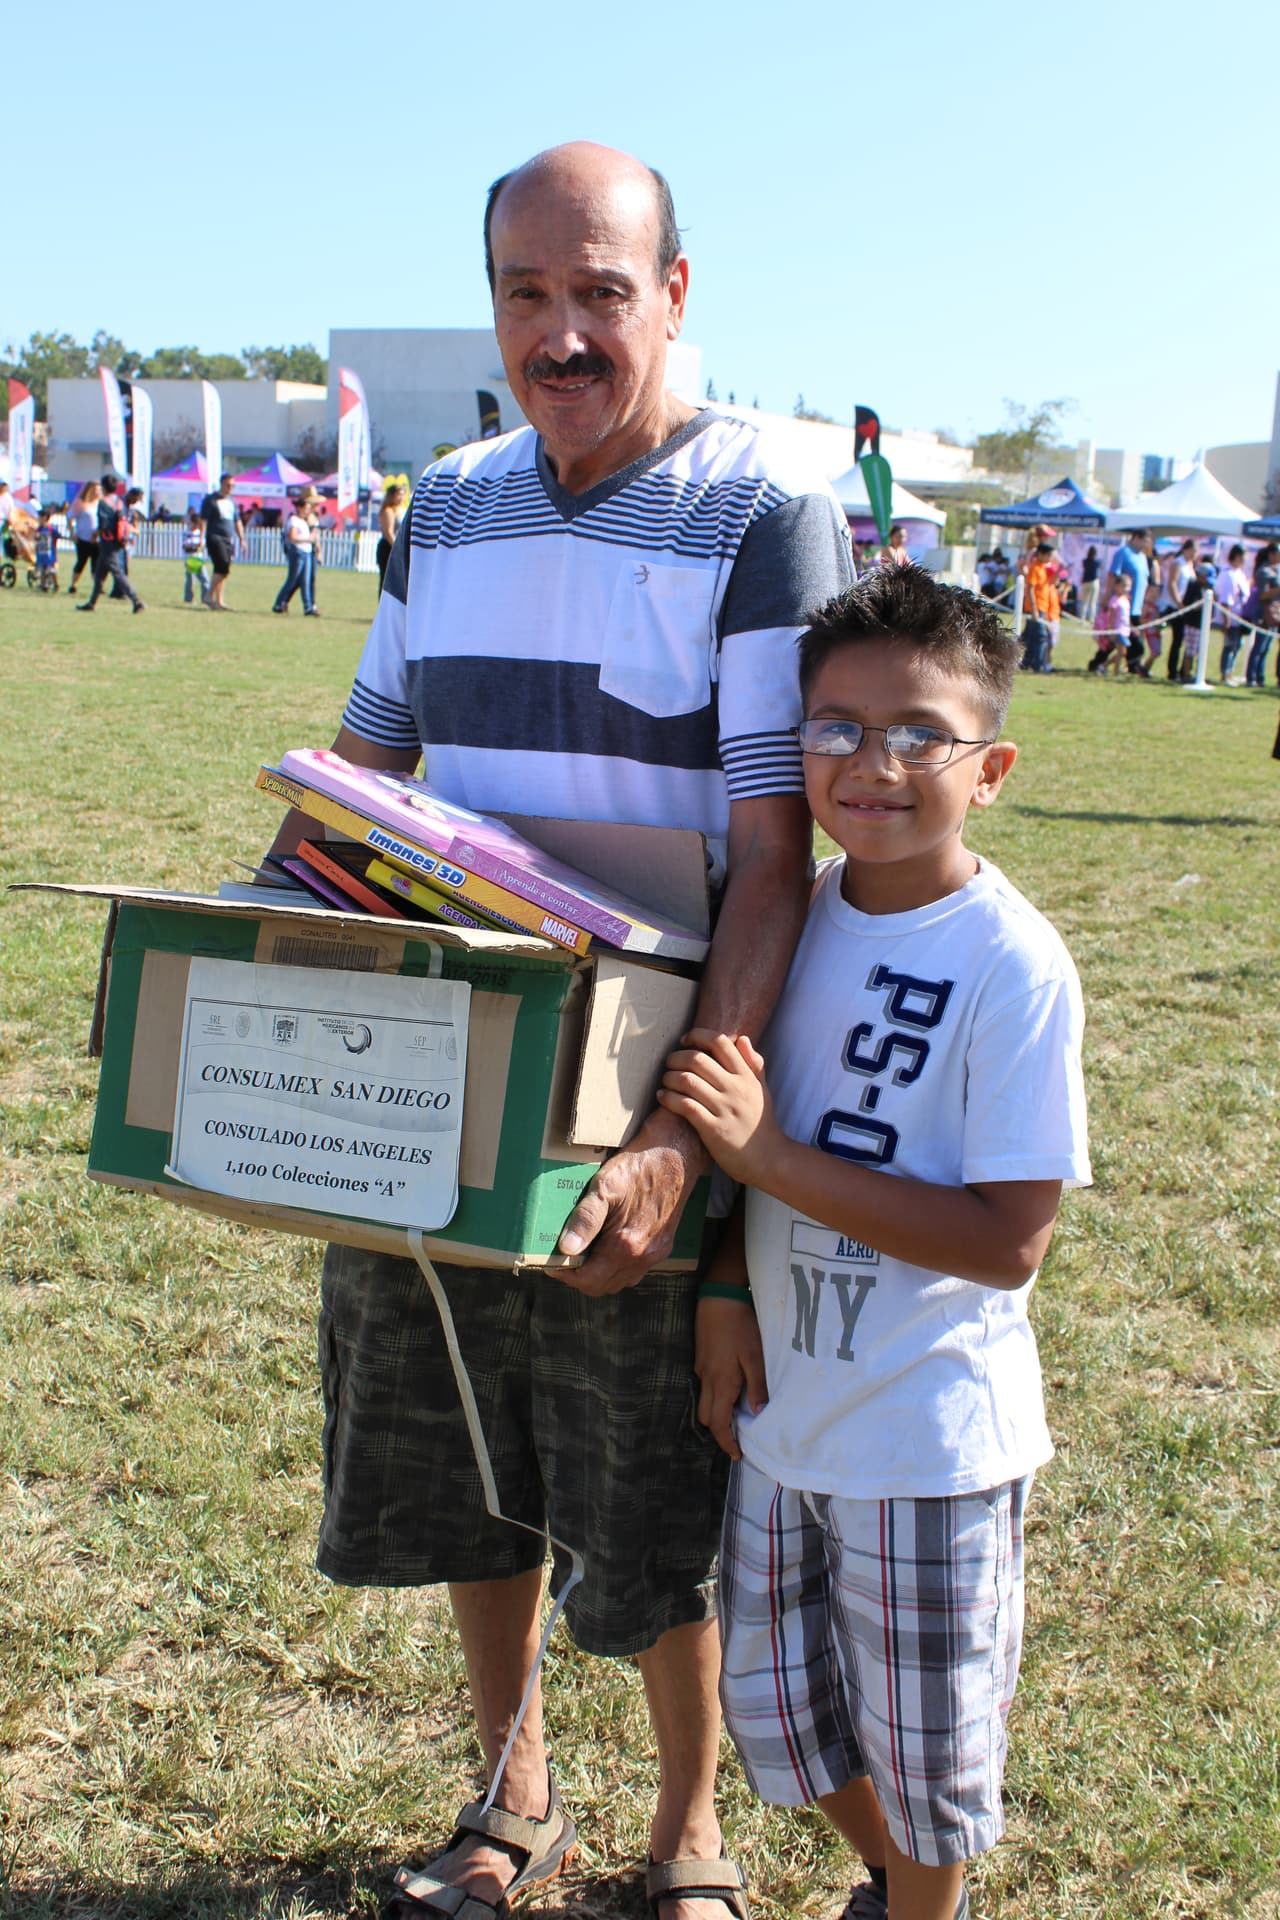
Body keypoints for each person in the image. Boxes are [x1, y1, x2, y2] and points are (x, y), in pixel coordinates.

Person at [263, 141, 855, 1920]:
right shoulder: (443, 504)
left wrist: (683, 1135)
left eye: (603, 290)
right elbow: (366, 776)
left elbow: (773, 857)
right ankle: (511, 1796)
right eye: (528, 292)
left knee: (648, 1457)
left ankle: (690, 1827)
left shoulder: (765, 510)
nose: (563, 330)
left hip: (648, 1065)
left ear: (675, 294)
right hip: (443, 1053)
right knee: (460, 1426)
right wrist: (249, 969)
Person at [658, 565, 1090, 1920]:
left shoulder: (1014, 964)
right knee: (779, 1720)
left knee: (927, 1760)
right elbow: (742, 1141)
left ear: (994, 766)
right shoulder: (792, 923)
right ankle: (899, 1882)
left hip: (927, 1435)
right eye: (836, 728)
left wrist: (770, 1160)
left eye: (919, 735)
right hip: (789, 1412)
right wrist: (725, 1281)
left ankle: (920, 1903)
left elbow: (1010, 1242)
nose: (873, 763)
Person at [76, 473, 144, 612]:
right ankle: (92, 603)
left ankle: (137, 601)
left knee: (118, 573)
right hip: (119, 541)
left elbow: (104, 525)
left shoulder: (103, 503)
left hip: (108, 543)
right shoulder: (119, 502)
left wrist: (95, 535)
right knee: (100, 573)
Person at [1107, 529, 1153, 676]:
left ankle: (1132, 666)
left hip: (1137, 607)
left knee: (1131, 641)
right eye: (1145, 540)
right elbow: (1113, 575)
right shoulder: (1123, 552)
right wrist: (1108, 596)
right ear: (1137, 538)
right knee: (1123, 640)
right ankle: (1100, 662)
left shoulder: (1143, 557)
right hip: (1122, 606)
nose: (1147, 544)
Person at [199, 472, 245, 609]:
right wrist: (201, 538)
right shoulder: (210, 500)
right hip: (214, 537)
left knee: (221, 569)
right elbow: (203, 520)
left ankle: (218, 601)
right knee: (223, 566)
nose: (230, 488)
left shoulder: (232, 502)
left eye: (233, 486)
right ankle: (208, 596)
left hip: (228, 538)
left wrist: (242, 539)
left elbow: (237, 521)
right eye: (228, 485)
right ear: (221, 484)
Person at [272, 489, 319, 614]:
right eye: (307, 508)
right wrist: (307, 539)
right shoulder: (293, 520)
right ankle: (279, 602)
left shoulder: (304, 521)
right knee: (292, 580)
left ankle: (308, 607)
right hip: (298, 552)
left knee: (305, 581)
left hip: (306, 551)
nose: (308, 510)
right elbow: (292, 537)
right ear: (300, 508)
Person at [1243, 545, 1280, 687]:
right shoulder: (1264, 571)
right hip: (1264, 612)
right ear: (1271, 554)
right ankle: (1251, 677)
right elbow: (1263, 595)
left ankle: (1260, 677)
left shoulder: (1277, 570)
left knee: (1266, 647)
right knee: (1259, 645)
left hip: (1275, 612)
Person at [1160, 538, 1197, 681]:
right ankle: (1172, 671)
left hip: (1187, 606)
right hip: (1176, 606)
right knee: (1177, 640)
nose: (1195, 554)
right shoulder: (1178, 563)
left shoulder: (1190, 565)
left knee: (1186, 640)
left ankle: (1184, 670)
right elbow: (1172, 584)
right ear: (1186, 549)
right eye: (1193, 551)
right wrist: (1179, 603)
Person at [1022, 540, 1060, 671]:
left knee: (1029, 637)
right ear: (1041, 554)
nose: (1050, 559)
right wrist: (1034, 609)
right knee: (1041, 637)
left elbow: (1051, 584)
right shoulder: (1035, 568)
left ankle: (1026, 662)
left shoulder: (1043, 569)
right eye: (1048, 555)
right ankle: (1039, 665)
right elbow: (1031, 589)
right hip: (1037, 607)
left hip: (1043, 606)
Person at [1215, 544, 1250, 683]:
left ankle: (1230, 672)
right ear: (1237, 556)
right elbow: (1225, 598)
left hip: (1240, 616)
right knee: (1230, 645)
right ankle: (1225, 674)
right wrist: (1226, 619)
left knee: (1237, 645)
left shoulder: (1239, 573)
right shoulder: (1228, 574)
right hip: (1230, 616)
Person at [1086, 577, 1131, 675]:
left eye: (1128, 587)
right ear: (1117, 586)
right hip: (1118, 630)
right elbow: (1111, 617)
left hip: (1125, 630)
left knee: (1122, 653)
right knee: (1121, 652)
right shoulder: (1115, 600)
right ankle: (1115, 672)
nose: (1126, 589)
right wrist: (1111, 631)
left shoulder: (1126, 600)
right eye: (1124, 586)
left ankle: (1103, 666)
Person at [67, 481, 102, 594]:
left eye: (99, 489)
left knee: (96, 563)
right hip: (83, 538)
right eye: (95, 489)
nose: (97, 492)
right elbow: (70, 517)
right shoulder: (81, 503)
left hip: (97, 539)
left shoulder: (100, 503)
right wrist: (72, 533)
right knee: (81, 561)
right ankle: (73, 584)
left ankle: (97, 587)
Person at [376, 482, 406, 592]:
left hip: (397, 545)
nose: (401, 497)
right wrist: (397, 549)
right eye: (399, 495)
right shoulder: (387, 511)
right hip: (388, 547)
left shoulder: (401, 510)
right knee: (386, 579)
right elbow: (389, 532)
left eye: (403, 494)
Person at [181, 509, 211, 605]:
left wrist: (200, 545)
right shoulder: (187, 533)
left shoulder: (200, 534)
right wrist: (195, 546)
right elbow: (185, 546)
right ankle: (189, 599)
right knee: (191, 580)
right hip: (190, 559)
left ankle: (205, 598)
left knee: (205, 579)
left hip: (199, 558)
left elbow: (202, 545)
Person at [34, 506, 60, 589]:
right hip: (41, 553)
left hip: (50, 553)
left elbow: (57, 535)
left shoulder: (51, 528)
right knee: (42, 569)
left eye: (40, 516)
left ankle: (56, 584)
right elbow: (36, 537)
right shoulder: (39, 529)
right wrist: (36, 536)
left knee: (51, 570)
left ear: (45, 517)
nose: (39, 518)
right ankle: (43, 584)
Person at [1079, 544, 1102, 622]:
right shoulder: (1096, 562)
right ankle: (1091, 619)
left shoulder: (1085, 561)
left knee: (1084, 602)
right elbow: (1099, 564)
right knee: (1093, 602)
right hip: (1093, 582)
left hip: (1085, 582)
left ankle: (1082, 618)